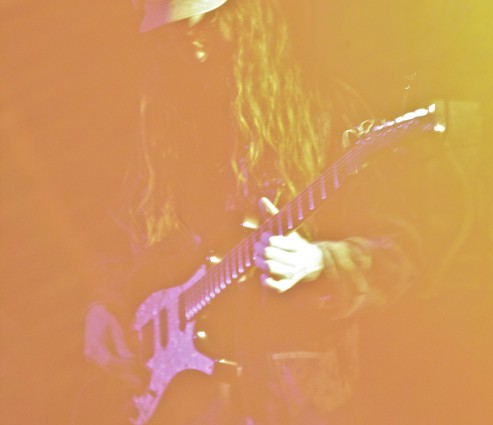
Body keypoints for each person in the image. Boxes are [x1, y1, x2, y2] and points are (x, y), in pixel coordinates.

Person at [81, 0, 423, 424]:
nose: (193, 40)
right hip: (187, 402)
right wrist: (107, 308)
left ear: (249, 15)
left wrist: (322, 262)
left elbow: (402, 250)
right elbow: (122, 242)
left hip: (293, 397)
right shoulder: (157, 128)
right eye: (175, 30)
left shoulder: (325, 111)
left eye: (209, 20)